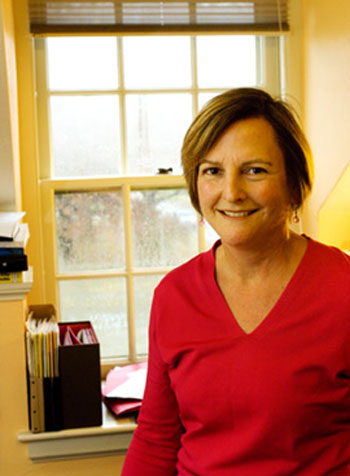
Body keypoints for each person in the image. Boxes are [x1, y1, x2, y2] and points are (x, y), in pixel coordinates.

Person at [121, 88, 350, 475]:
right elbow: (156, 439)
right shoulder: (173, 296)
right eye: (213, 171)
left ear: (294, 184)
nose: (232, 193)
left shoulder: (342, 291)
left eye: (255, 170)